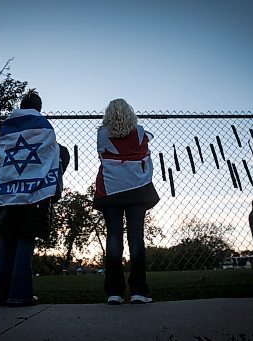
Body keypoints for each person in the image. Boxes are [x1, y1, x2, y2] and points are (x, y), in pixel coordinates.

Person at [0, 90, 68, 307]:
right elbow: (53, 155)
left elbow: (3, 157)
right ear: (39, 107)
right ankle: (19, 295)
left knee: (6, 240)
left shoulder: (8, 128)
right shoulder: (44, 128)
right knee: (25, 241)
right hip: (33, 195)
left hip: (7, 194)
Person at [93, 98, 160, 305]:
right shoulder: (140, 132)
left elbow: (102, 155)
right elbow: (145, 150)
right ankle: (138, 291)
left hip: (111, 190)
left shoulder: (102, 134)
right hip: (137, 190)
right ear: (130, 113)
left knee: (114, 239)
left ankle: (114, 291)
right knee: (136, 238)